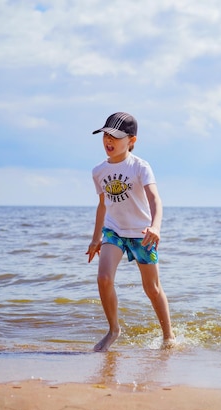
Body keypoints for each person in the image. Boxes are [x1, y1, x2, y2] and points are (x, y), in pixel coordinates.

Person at [86, 111, 175, 352]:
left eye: (115, 136)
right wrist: (96, 238)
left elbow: (155, 199)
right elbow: (103, 205)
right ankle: (114, 329)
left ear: (131, 141)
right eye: (105, 135)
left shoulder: (140, 167)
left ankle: (168, 336)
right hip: (114, 232)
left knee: (152, 289)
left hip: (141, 233)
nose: (109, 140)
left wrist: (155, 227)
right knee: (104, 279)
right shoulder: (98, 171)